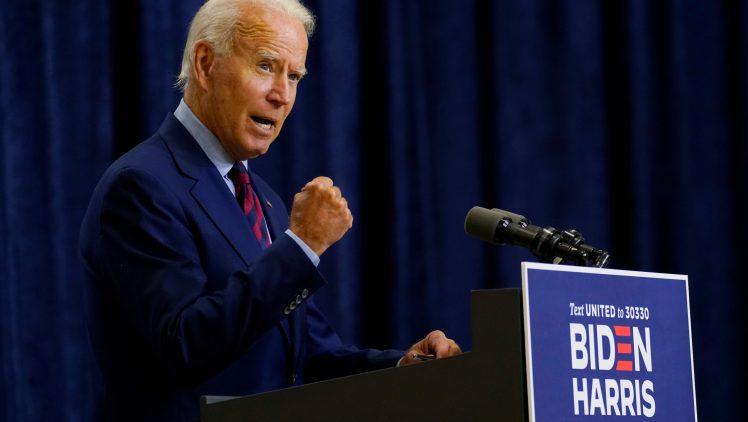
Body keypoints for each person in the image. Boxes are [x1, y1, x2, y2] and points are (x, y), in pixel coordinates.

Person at [79, 0, 461, 420]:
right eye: (265, 66)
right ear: (206, 64)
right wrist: (301, 245)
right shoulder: (141, 185)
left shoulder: (264, 200)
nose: (282, 95)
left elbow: (308, 358)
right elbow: (187, 345)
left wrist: (401, 368)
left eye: (294, 76)